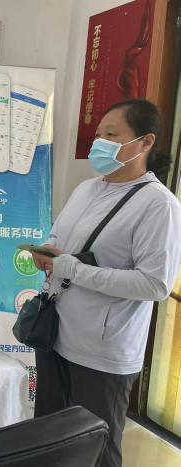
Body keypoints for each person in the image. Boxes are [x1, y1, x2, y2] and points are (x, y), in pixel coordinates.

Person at [30, 99, 181, 467]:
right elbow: (59, 236)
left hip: (102, 353)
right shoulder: (87, 188)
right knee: (49, 438)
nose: (100, 143)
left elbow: (155, 284)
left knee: (97, 448)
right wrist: (47, 252)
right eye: (99, 134)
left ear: (145, 142)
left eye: (112, 135)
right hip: (56, 334)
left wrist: (72, 269)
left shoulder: (158, 204)